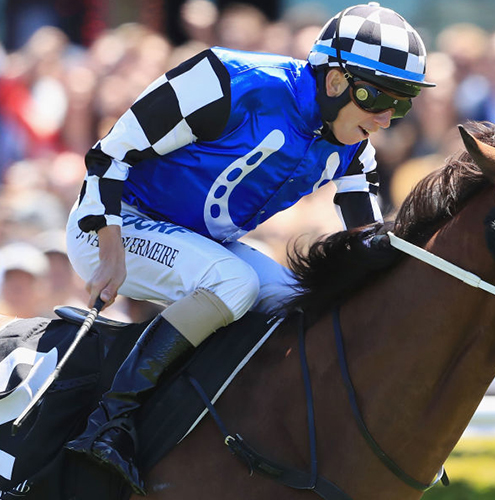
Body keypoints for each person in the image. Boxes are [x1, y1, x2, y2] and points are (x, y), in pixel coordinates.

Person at [63, 2, 434, 494]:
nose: (387, 119)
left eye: (402, 103)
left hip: (199, 244)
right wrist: (109, 241)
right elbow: (109, 152)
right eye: (379, 99)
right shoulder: (226, 76)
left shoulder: (353, 146)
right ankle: (109, 422)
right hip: (113, 223)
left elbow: (368, 244)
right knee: (233, 281)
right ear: (336, 81)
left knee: (296, 307)